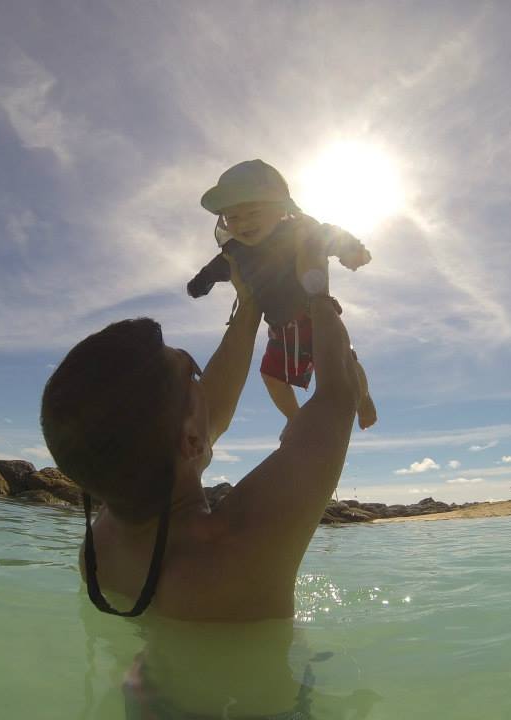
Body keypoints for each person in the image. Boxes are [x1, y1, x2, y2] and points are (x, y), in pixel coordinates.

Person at [41, 232, 366, 716]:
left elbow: (192, 422)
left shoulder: (101, 541)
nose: (203, 383)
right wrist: (316, 290)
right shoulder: (238, 547)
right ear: (192, 442)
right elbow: (337, 399)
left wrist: (249, 303)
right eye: (191, 373)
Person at [187, 159, 377, 435]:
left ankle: (363, 399)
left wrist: (353, 251)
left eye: (252, 213)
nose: (243, 224)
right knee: (271, 376)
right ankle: (296, 417)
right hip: (279, 326)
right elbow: (215, 269)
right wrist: (200, 283)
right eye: (233, 218)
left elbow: (330, 234)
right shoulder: (235, 251)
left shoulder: (298, 231)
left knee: (340, 362)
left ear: (280, 210)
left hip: (310, 313)